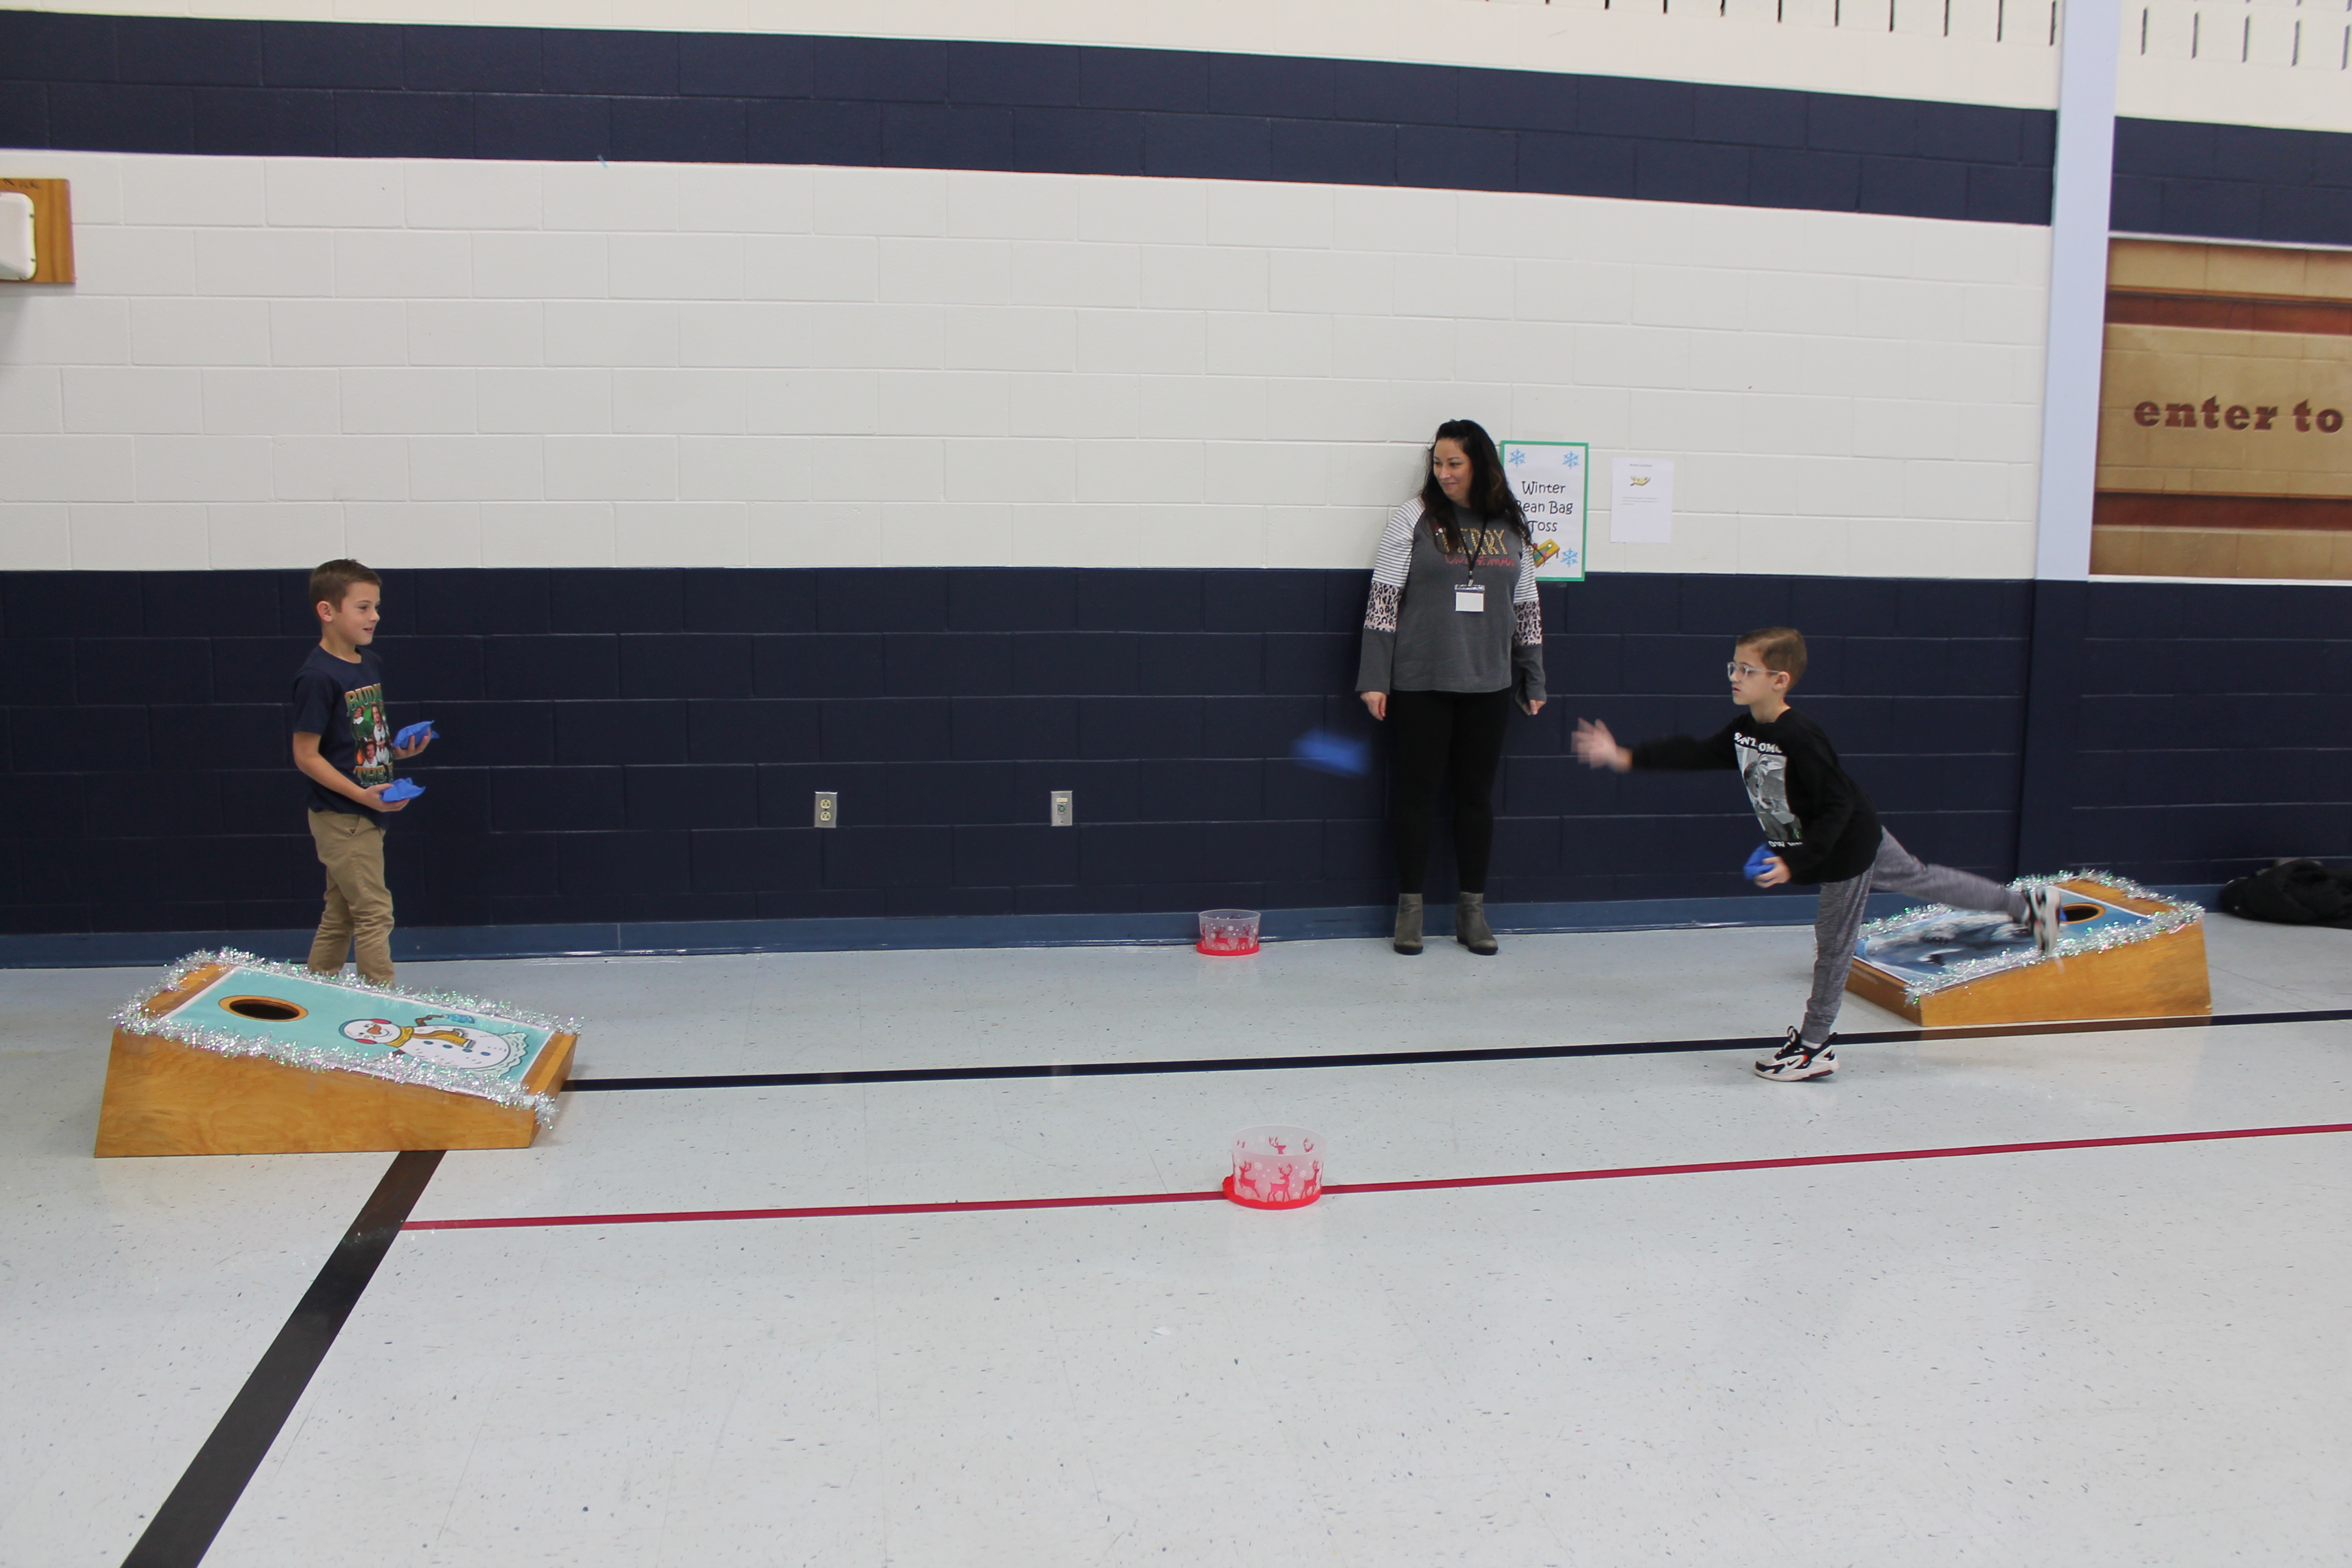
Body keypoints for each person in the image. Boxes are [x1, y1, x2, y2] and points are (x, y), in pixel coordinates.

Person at [1571, 625, 2061, 1081]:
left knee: (1833, 943)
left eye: (1748, 670)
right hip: (1853, 835)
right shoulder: (1747, 729)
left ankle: (1815, 1045)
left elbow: (1837, 804)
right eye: (1733, 668)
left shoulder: (1800, 736)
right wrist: (1626, 756)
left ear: (1780, 681)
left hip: (1843, 846)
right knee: (1921, 878)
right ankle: (2028, 906)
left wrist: (1797, 860)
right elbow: (1697, 752)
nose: (1736, 678)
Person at [1357, 418, 1547, 957]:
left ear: (1479, 464)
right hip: (1420, 680)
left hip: (1489, 682)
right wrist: (1374, 677)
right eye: (1437, 463)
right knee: (1416, 797)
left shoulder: (1511, 521)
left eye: (1454, 464)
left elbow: (1527, 604)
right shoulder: (1413, 517)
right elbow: (1383, 599)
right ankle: (1410, 911)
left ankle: (1472, 912)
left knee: (1475, 801)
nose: (1443, 474)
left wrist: (1534, 675)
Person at [290, 559, 431, 987]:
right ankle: (382, 1002)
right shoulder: (317, 678)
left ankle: (318, 991)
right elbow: (307, 756)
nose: (375, 617)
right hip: (343, 817)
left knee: (342, 913)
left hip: (365, 813)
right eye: (364, 608)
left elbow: (358, 745)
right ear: (327, 611)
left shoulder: (367, 663)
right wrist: (362, 796)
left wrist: (398, 753)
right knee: (373, 910)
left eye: (377, 608)